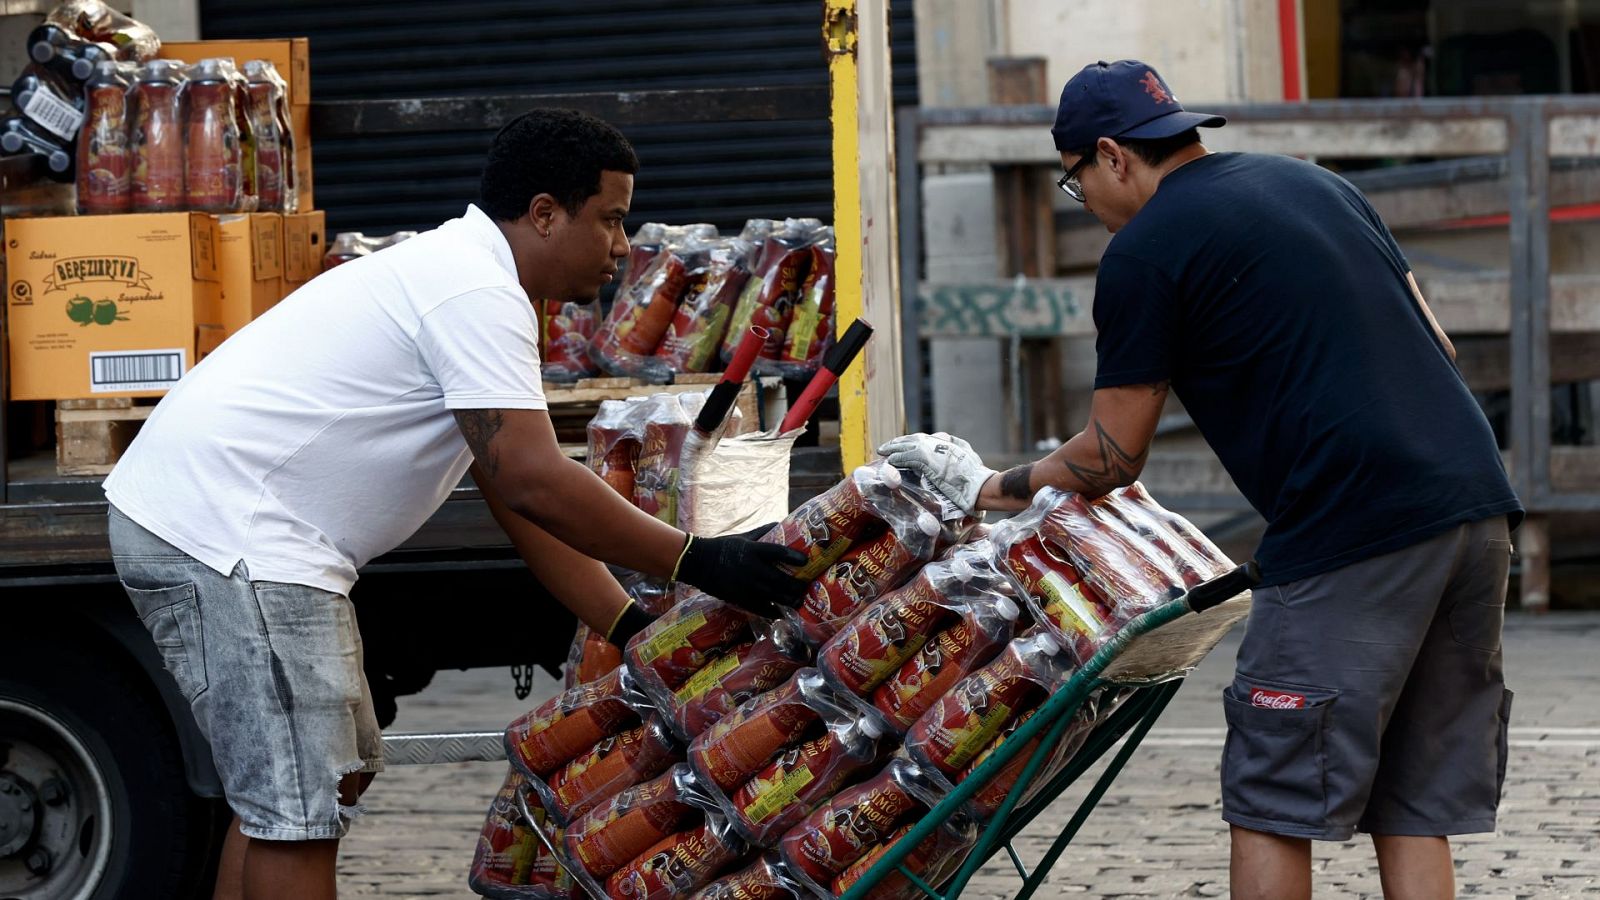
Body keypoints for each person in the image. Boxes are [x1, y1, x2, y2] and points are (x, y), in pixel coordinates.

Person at [103, 108, 805, 900]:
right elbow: (531, 477)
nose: (622, 246)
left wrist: (627, 625)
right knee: (299, 810)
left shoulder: (471, 277)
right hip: (232, 540)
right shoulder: (475, 289)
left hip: (231, 534)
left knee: (317, 790)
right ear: (544, 214)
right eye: (610, 220)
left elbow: (514, 490)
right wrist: (702, 560)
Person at [881, 60, 1522, 900]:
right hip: (1476, 504)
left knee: (1270, 793)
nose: (1092, 206)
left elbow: (1111, 457)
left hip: (1355, 527)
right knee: (1411, 800)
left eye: (1077, 185)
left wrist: (991, 485)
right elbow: (1433, 340)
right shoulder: (1318, 186)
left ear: (1110, 155)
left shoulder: (1146, 251)